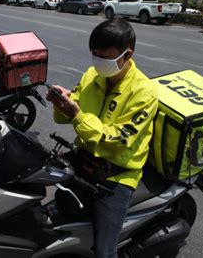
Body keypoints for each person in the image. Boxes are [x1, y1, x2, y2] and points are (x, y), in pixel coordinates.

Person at [46, 17, 158, 258]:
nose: (98, 62)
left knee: (104, 251)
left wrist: (76, 115)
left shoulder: (144, 92)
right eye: (94, 54)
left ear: (127, 55)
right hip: (84, 161)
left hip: (116, 175)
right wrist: (62, 103)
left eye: (105, 57)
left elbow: (118, 140)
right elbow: (66, 117)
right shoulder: (91, 76)